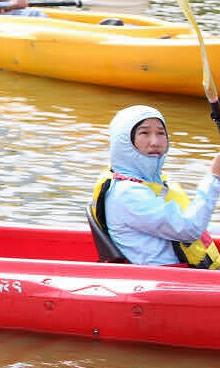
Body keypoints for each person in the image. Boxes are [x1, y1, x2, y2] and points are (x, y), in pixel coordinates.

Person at [91, 105, 220, 268]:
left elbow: (194, 222)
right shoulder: (127, 193)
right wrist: (214, 178)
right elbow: (190, 229)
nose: (155, 142)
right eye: (144, 133)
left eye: (161, 133)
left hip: (185, 273)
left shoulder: (149, 182)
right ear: (124, 141)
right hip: (170, 281)